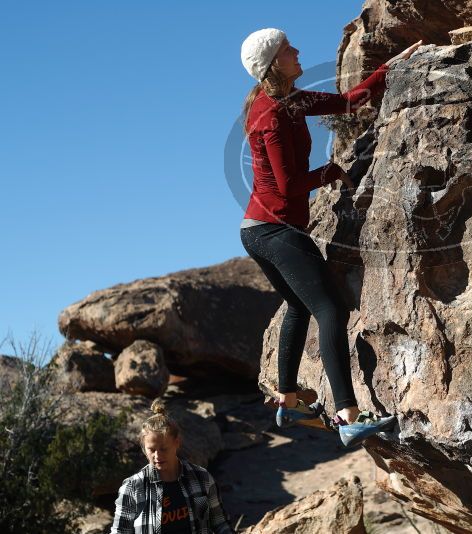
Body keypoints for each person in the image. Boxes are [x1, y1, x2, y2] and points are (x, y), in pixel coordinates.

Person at [238, 28, 423, 448]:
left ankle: (287, 399)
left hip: (258, 230)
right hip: (275, 229)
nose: (298, 50)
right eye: (288, 49)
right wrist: (330, 172)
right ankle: (347, 417)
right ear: (273, 64)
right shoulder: (271, 112)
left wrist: (390, 66)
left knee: (299, 307)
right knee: (330, 308)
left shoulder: (290, 99)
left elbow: (346, 101)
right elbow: (287, 186)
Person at [110, 401, 233, 534]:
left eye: (164, 449)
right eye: (151, 449)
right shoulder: (133, 487)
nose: (157, 455)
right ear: (144, 449)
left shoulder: (202, 478)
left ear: (177, 443)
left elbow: (220, 523)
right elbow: (120, 531)